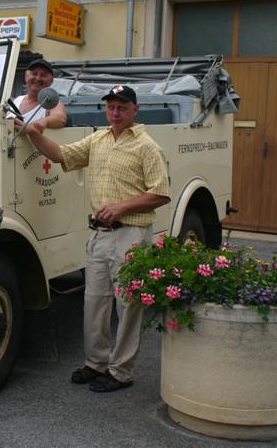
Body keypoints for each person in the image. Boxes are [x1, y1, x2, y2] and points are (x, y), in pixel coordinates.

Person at [24, 85, 170, 393]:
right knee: (94, 302)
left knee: (127, 305)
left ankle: (121, 372)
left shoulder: (147, 146)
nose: (115, 113)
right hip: (100, 235)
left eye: (122, 107)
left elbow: (160, 194)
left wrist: (121, 207)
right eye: (111, 107)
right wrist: (32, 133)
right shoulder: (98, 140)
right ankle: (96, 363)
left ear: (135, 110)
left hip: (130, 235)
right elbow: (62, 154)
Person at [11, 58, 67, 131]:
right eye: (34, 74)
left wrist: (43, 122)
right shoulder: (15, 101)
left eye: (43, 75)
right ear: (26, 76)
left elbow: (60, 119)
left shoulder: (52, 103)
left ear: (51, 81)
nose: (38, 78)